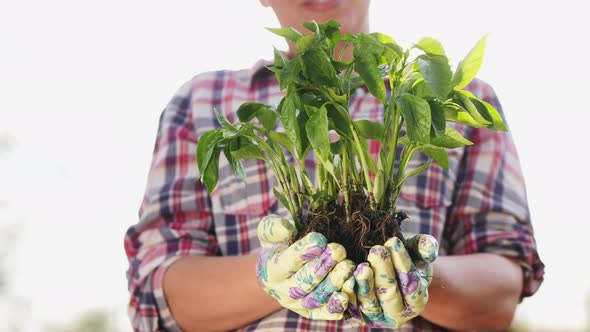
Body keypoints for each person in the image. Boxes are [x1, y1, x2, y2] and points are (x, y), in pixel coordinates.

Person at [124, 0, 545, 331]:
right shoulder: (202, 102)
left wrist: (422, 280)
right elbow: (156, 295)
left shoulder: (452, 95)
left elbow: (502, 290)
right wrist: (267, 278)